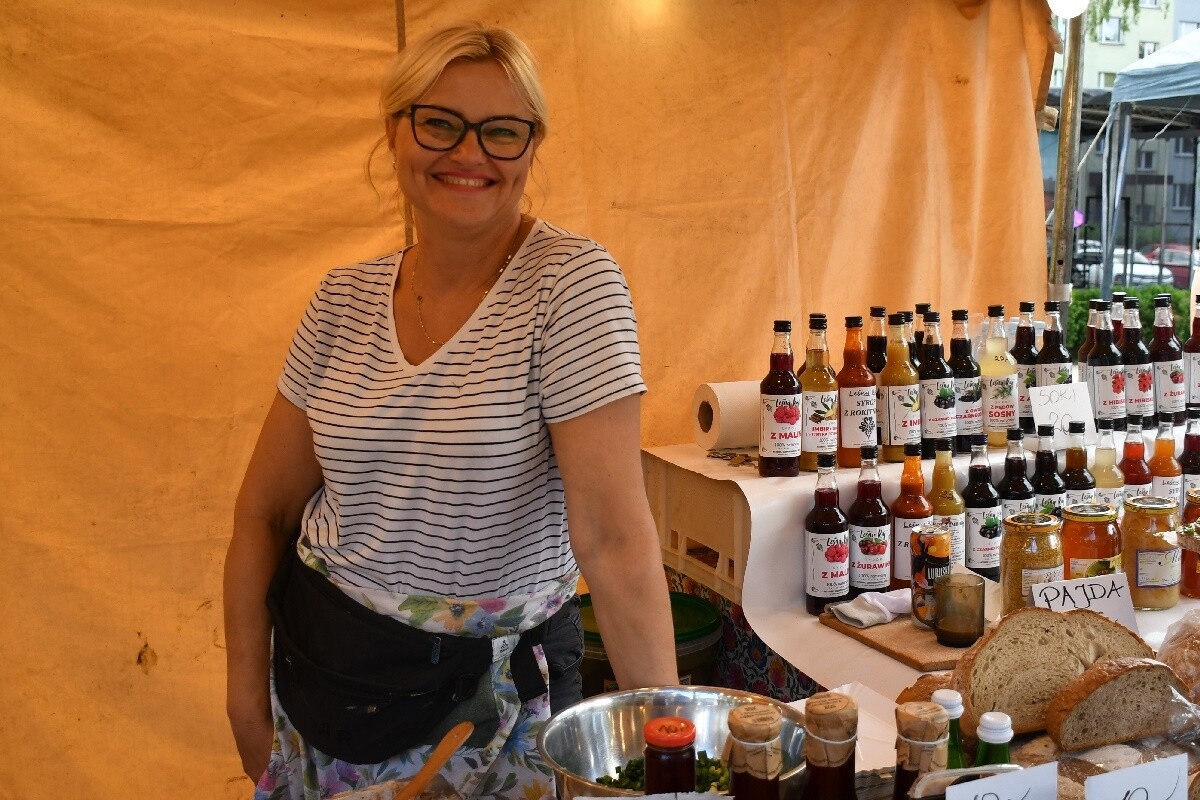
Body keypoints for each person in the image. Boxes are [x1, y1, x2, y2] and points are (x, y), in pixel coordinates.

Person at [223, 21, 678, 800]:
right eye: (440, 123)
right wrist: (243, 692)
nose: (470, 154)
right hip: (327, 688)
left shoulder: (569, 286)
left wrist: (666, 753)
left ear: (532, 147)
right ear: (394, 130)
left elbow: (614, 542)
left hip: (500, 714)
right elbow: (263, 513)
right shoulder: (341, 300)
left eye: (502, 131)